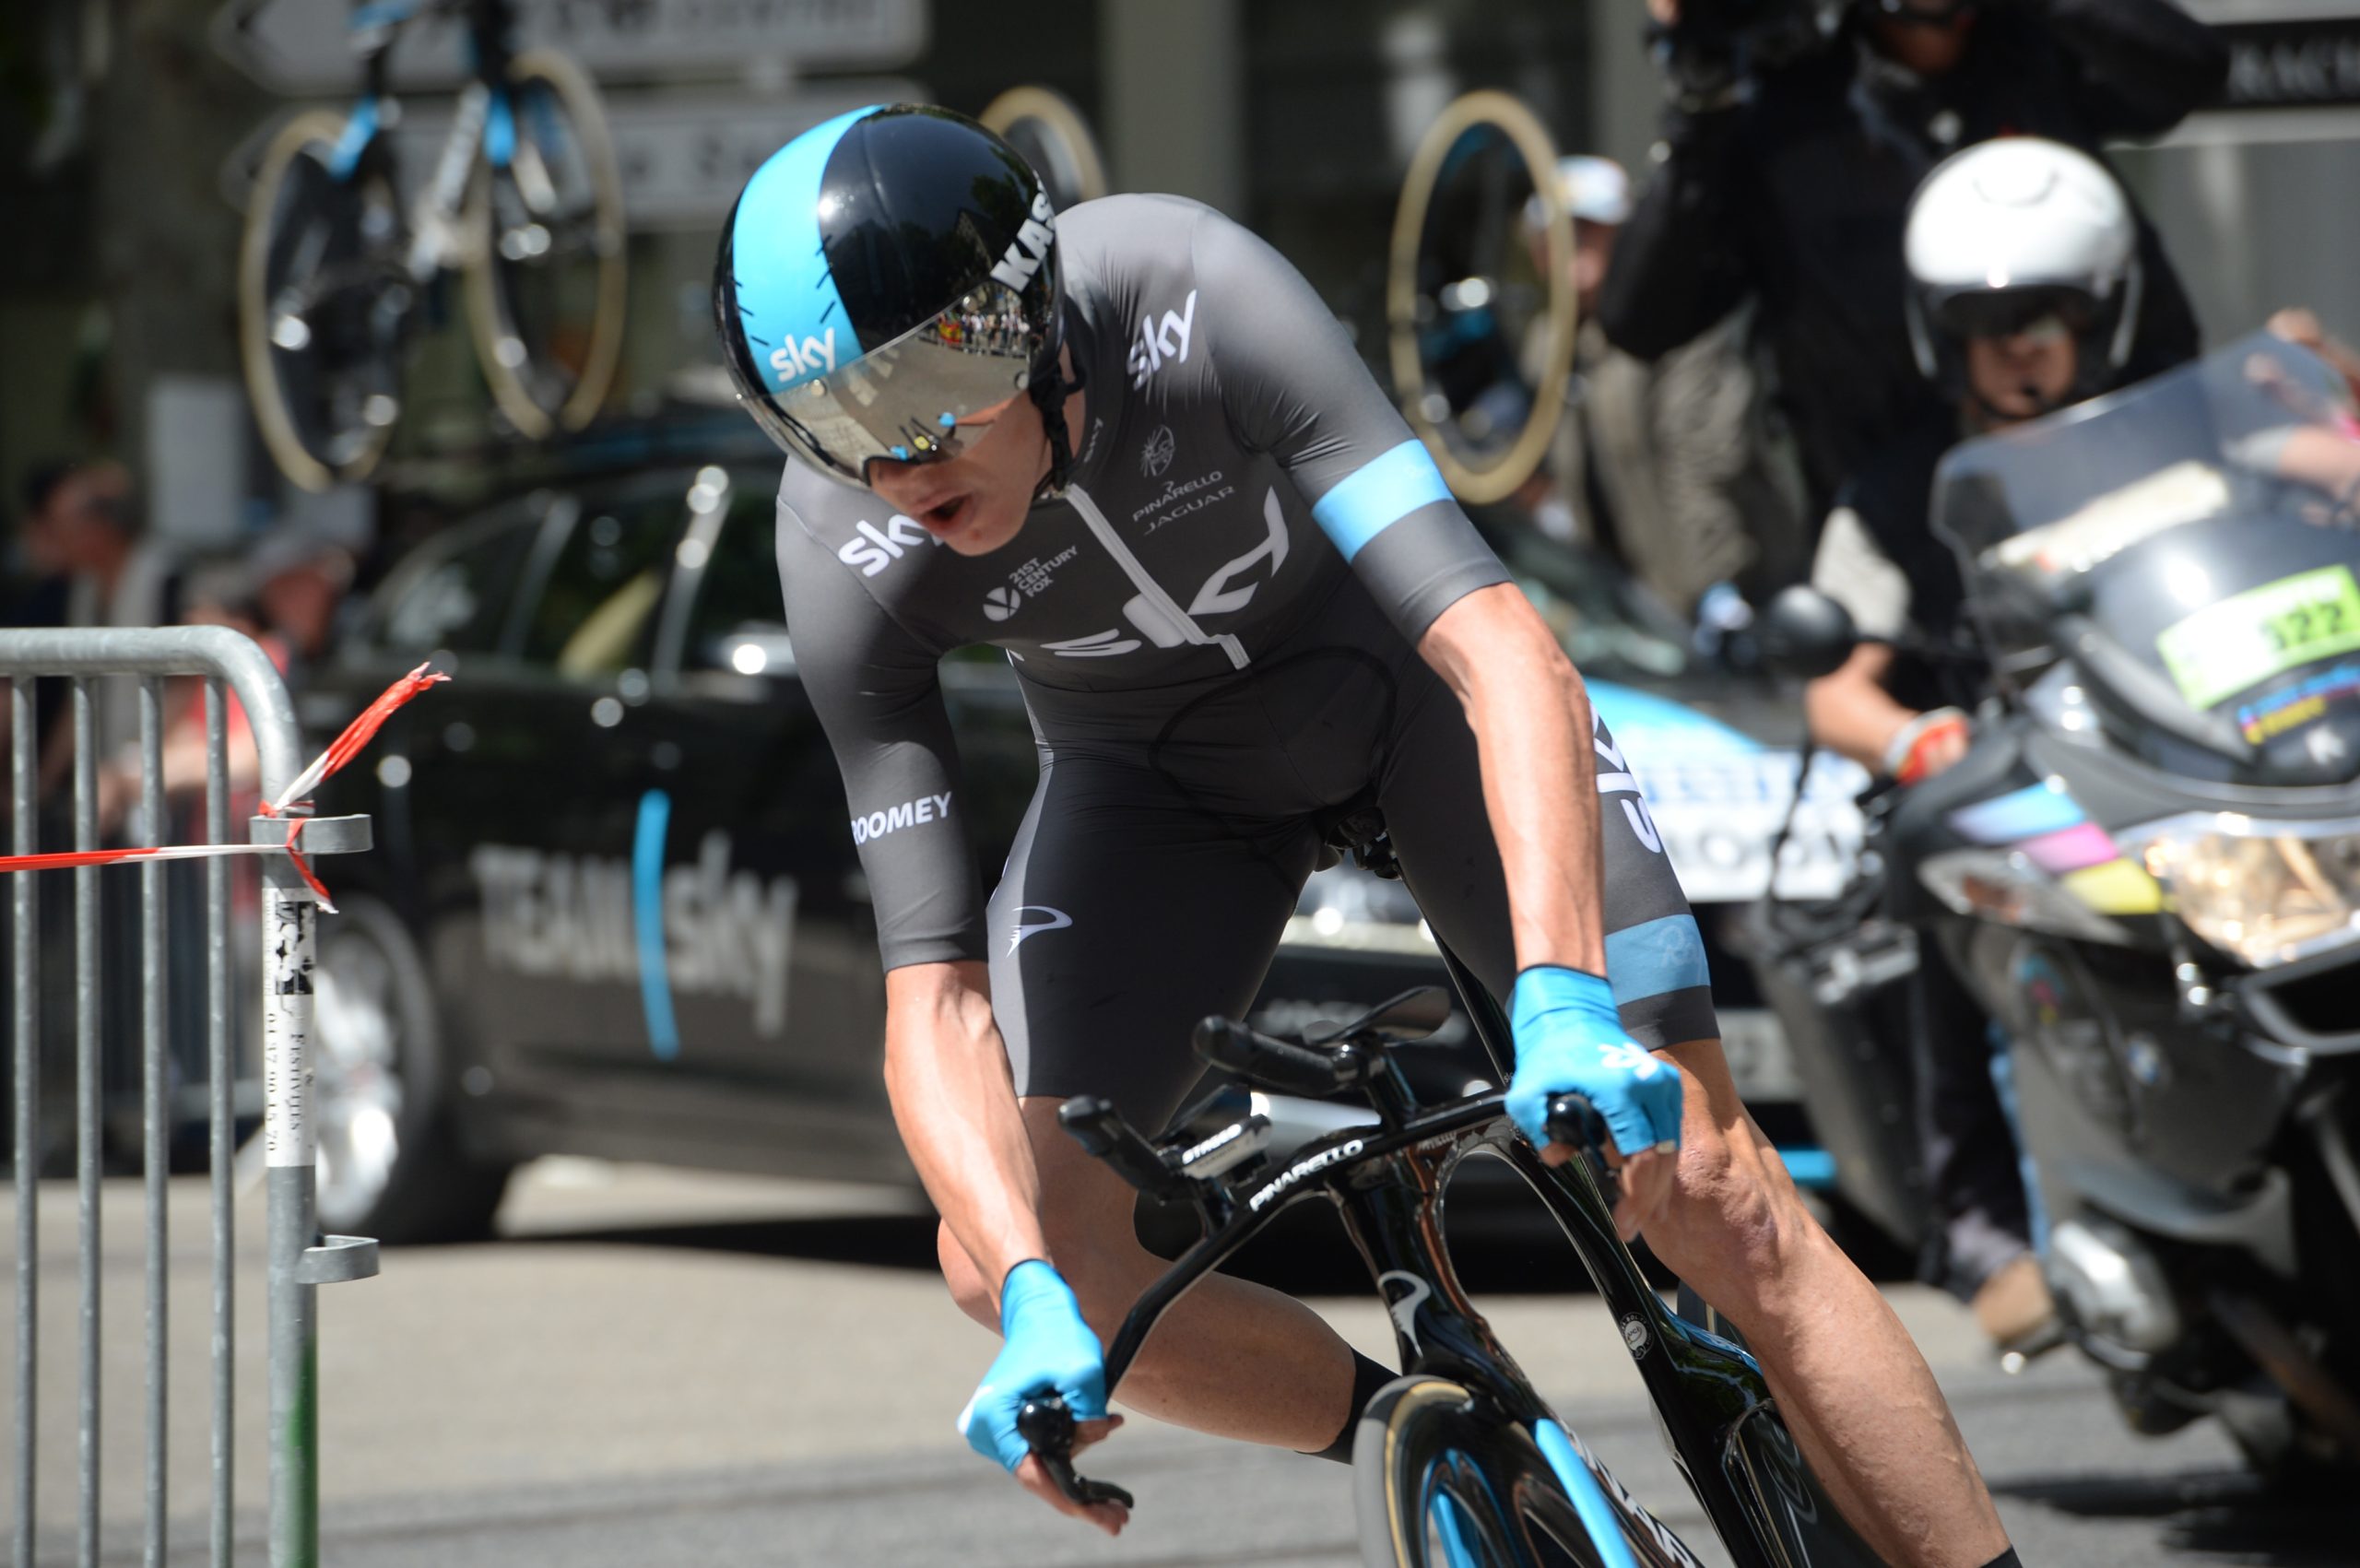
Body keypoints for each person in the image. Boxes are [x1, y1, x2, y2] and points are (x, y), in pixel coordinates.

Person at [716, 105, 2020, 1566]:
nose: (894, 464)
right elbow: (934, 995)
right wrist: (1030, 1292)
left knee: (1712, 1189)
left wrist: (1569, 1002)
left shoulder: (1192, 293)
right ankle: (1460, 1444)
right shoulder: (845, 545)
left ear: (1024, 312)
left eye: (925, 387)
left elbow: (1499, 645)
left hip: (1412, 703)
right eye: (830, 424)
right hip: (1159, 787)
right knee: (999, 1242)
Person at [1803, 137, 2165, 1347]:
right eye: (1991, 319)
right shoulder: (1901, 489)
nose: (2022, 343)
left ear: (2103, 314)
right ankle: (1989, 1223)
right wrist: (1918, 743)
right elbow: (1835, 693)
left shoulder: (2165, 444)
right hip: (2020, 803)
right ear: (1941, 332)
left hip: (2172, 776)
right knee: (1949, 871)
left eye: (2050, 315)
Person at [1599, 0, 2225, 519]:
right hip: (1902, 554)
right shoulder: (1787, 108)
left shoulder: (2035, 51)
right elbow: (1640, 319)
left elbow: (2191, 70)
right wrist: (1701, 97)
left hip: (2118, 494)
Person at [1521, 156, 1809, 613]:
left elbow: (1703, 462)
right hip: (1625, 610)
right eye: (1557, 233)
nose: (1572, 245)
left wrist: (1712, 593)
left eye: (1588, 227)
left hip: (1731, 595)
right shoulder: (1545, 345)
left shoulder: (1668, 324)